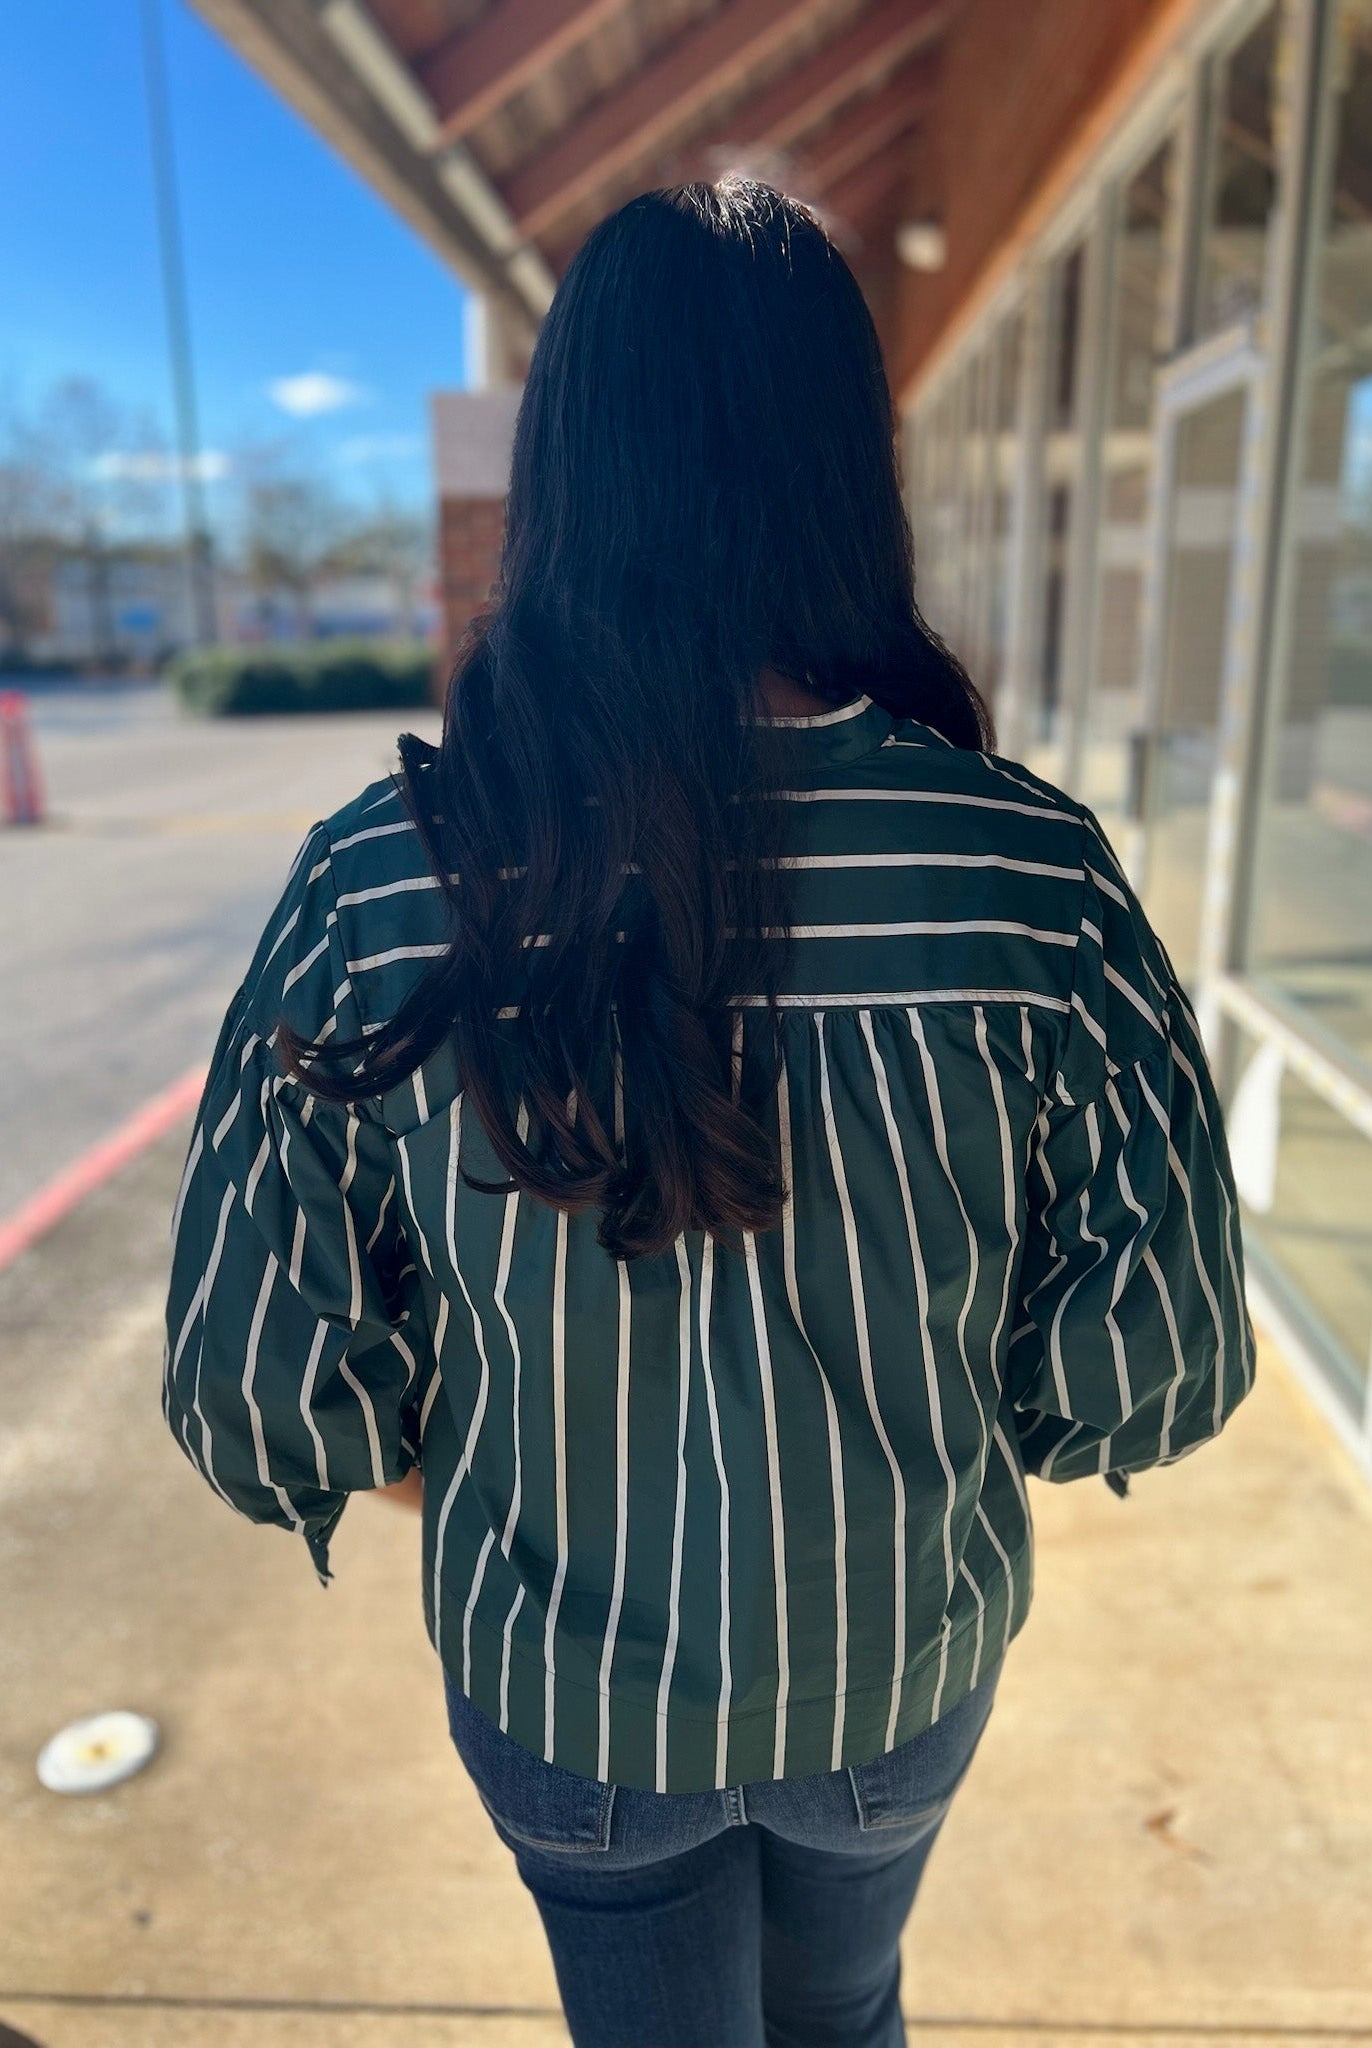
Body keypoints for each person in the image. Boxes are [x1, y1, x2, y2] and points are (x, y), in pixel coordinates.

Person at [164, 179, 1254, 2048]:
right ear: (852, 467)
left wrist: (457, 1455)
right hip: (896, 1673)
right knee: (849, 2015)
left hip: (567, 1704)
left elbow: (255, 1388)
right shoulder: (1036, 878)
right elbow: (1156, 1360)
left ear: (566, 465)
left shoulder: (386, 879)